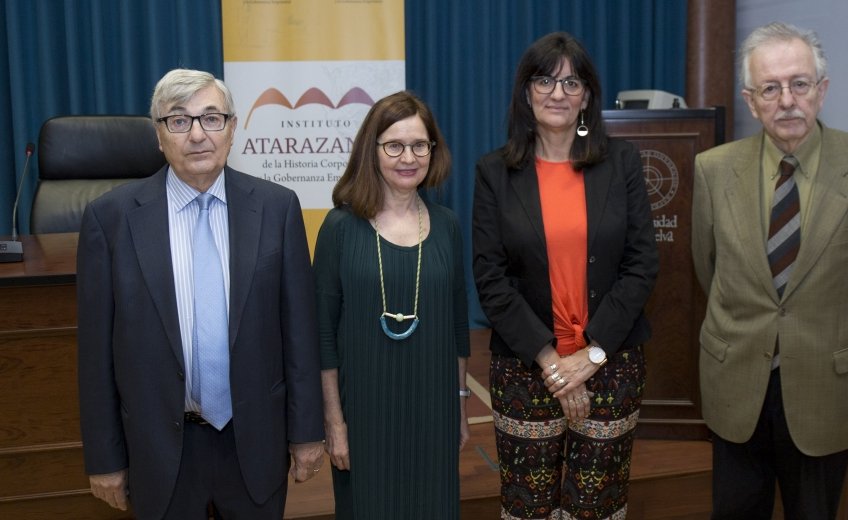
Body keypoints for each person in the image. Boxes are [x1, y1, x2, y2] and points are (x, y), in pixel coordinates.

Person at [77, 68, 325, 519]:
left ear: (232, 129)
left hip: (254, 441)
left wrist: (307, 432)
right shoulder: (110, 220)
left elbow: (300, 334)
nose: (197, 134)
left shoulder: (277, 208)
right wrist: (105, 458)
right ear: (158, 135)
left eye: (211, 118)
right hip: (159, 449)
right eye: (179, 120)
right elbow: (95, 356)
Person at [692, 22, 848, 519]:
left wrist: (828, 323)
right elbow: (708, 268)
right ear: (751, 100)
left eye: (799, 83)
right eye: (771, 87)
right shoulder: (713, 169)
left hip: (825, 382)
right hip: (736, 377)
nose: (787, 99)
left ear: (822, 90)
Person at [472, 32, 659, 520]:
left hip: (612, 362)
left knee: (596, 505)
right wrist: (555, 363)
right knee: (528, 505)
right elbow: (491, 279)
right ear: (525, 92)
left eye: (572, 82)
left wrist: (591, 355)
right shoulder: (494, 171)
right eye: (545, 80)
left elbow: (642, 265)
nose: (558, 93)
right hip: (524, 365)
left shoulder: (622, 163)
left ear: (588, 96)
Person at [313, 90, 470, 519]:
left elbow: (459, 327)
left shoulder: (447, 226)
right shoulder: (340, 228)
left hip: (433, 410)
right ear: (372, 150)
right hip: (364, 414)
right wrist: (334, 422)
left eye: (419, 145)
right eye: (394, 145)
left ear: (432, 151)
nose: (408, 157)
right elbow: (322, 336)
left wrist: (458, 407)